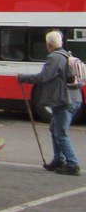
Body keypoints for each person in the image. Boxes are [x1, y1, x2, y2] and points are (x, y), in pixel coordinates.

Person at [17, 30, 81, 176]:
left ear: (49, 44)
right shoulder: (67, 55)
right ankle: (58, 159)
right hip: (74, 98)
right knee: (55, 129)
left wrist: (23, 78)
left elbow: (44, 77)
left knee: (61, 133)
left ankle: (72, 164)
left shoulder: (54, 57)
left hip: (63, 100)